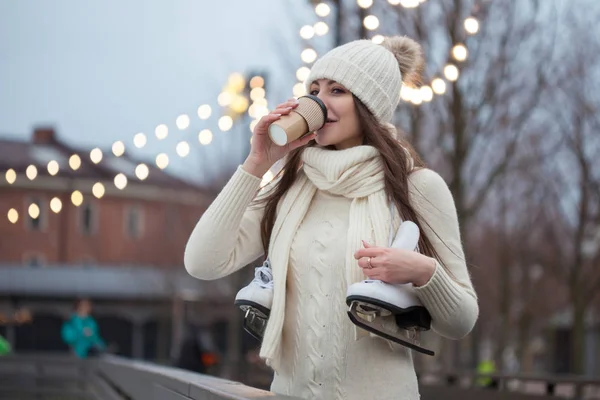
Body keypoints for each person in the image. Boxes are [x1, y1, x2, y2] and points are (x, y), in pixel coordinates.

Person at [184, 35, 479, 400]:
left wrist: (422, 272)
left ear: (369, 104)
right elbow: (201, 262)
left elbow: (461, 320)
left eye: (336, 90)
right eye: (314, 89)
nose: (318, 102)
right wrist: (257, 164)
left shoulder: (418, 187)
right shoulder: (290, 186)